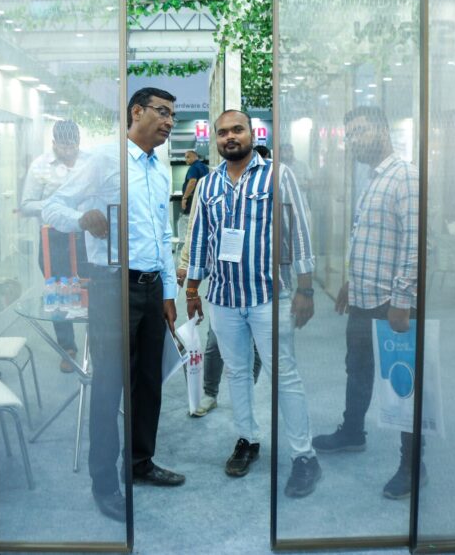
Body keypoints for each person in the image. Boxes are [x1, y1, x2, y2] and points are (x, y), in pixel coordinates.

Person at [44, 87, 184, 523]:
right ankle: (104, 483)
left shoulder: (159, 168)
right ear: (136, 112)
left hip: (151, 286)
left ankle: (139, 463)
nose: (169, 122)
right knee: (109, 386)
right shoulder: (105, 159)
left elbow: (163, 233)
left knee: (149, 383)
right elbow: (52, 207)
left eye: (173, 116)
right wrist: (80, 219)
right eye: (162, 112)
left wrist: (168, 293)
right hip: (111, 285)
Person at [185, 109, 322, 498]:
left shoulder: (278, 175)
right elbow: (200, 238)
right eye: (222, 132)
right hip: (224, 298)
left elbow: (299, 232)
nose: (230, 137)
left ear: (252, 134)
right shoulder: (209, 184)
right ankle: (247, 439)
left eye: (237, 130)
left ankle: (304, 456)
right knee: (237, 373)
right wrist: (192, 290)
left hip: (269, 296)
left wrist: (306, 289)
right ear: (216, 139)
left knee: (284, 374)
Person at [312, 105, 421, 500]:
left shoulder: (405, 176)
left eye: (359, 132)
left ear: (382, 130)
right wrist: (349, 282)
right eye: (350, 134)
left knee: (402, 384)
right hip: (362, 297)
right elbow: (367, 238)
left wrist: (402, 301)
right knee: (356, 369)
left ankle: (413, 465)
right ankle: (352, 432)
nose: (353, 141)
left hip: (391, 303)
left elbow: (415, 244)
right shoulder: (373, 178)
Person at [176, 198, 262, 418]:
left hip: (258, 283)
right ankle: (210, 393)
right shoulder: (209, 186)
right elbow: (195, 231)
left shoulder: (264, 183)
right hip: (224, 283)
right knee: (215, 343)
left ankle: (246, 393)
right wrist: (185, 265)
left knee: (257, 345)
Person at [19, 120, 88, 372]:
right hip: (55, 239)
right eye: (63, 146)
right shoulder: (40, 166)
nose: (69, 151)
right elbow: (26, 204)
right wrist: (55, 206)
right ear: (54, 143)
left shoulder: (89, 162)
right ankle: (67, 347)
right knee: (59, 294)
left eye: (72, 145)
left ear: (78, 142)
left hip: (86, 237)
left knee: (92, 290)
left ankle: (96, 345)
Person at [179, 149, 209, 216]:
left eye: (188, 157)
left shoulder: (193, 167)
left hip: (192, 198)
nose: (186, 159)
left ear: (195, 157)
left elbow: (192, 182)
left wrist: (185, 198)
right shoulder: (205, 167)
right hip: (203, 198)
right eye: (185, 157)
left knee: (189, 218)